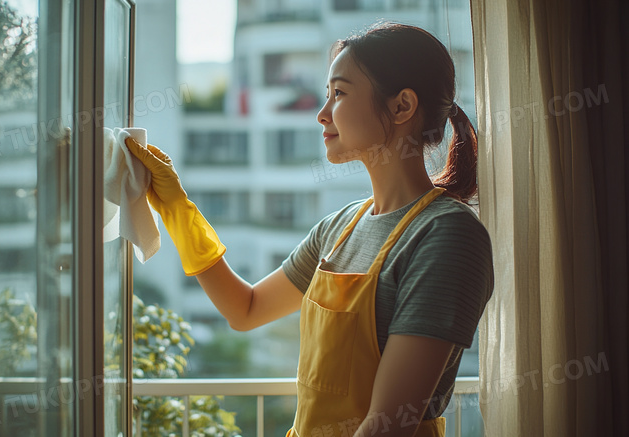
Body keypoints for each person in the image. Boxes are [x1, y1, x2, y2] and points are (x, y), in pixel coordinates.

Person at [126, 22, 494, 437]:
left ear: (401, 106)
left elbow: (386, 425)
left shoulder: (447, 237)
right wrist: (175, 205)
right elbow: (244, 309)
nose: (321, 114)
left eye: (339, 94)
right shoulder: (338, 228)